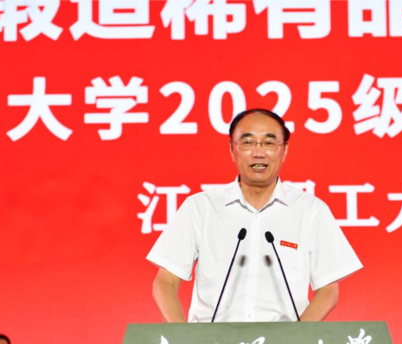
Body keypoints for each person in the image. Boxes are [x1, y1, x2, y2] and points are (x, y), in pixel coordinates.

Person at [148, 108, 362, 323]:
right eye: (248, 142)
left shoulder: (311, 210)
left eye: (269, 143)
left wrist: (298, 337)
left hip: (283, 342)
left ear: (284, 150)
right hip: (212, 341)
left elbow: (328, 290)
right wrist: (183, 337)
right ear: (232, 149)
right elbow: (165, 283)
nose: (258, 153)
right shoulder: (200, 208)